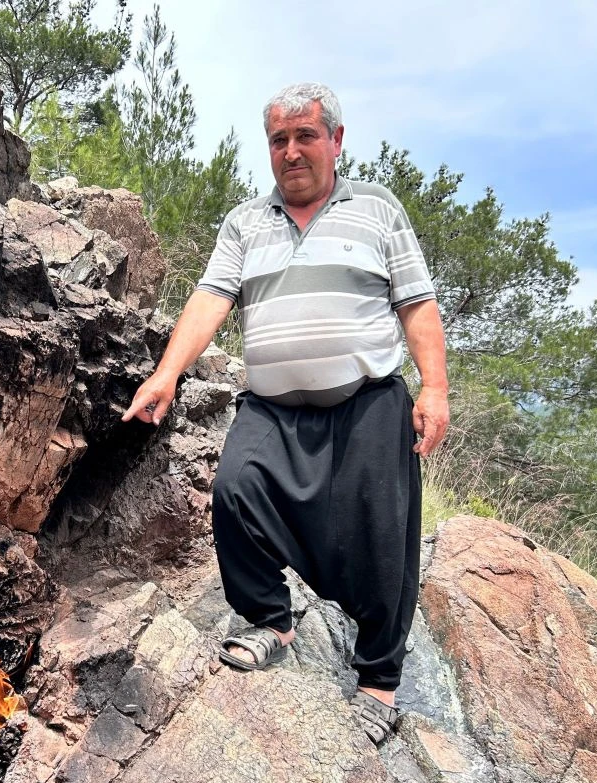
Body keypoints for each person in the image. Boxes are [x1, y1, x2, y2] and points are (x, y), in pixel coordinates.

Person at [121, 82, 449, 745]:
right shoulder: (246, 222)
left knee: (382, 536)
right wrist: (166, 373)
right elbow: (212, 297)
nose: (292, 152)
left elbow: (416, 303)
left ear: (336, 139)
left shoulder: (378, 210)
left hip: (368, 404)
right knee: (235, 490)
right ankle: (273, 621)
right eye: (279, 140)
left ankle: (379, 684)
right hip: (270, 406)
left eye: (305, 136)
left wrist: (435, 387)